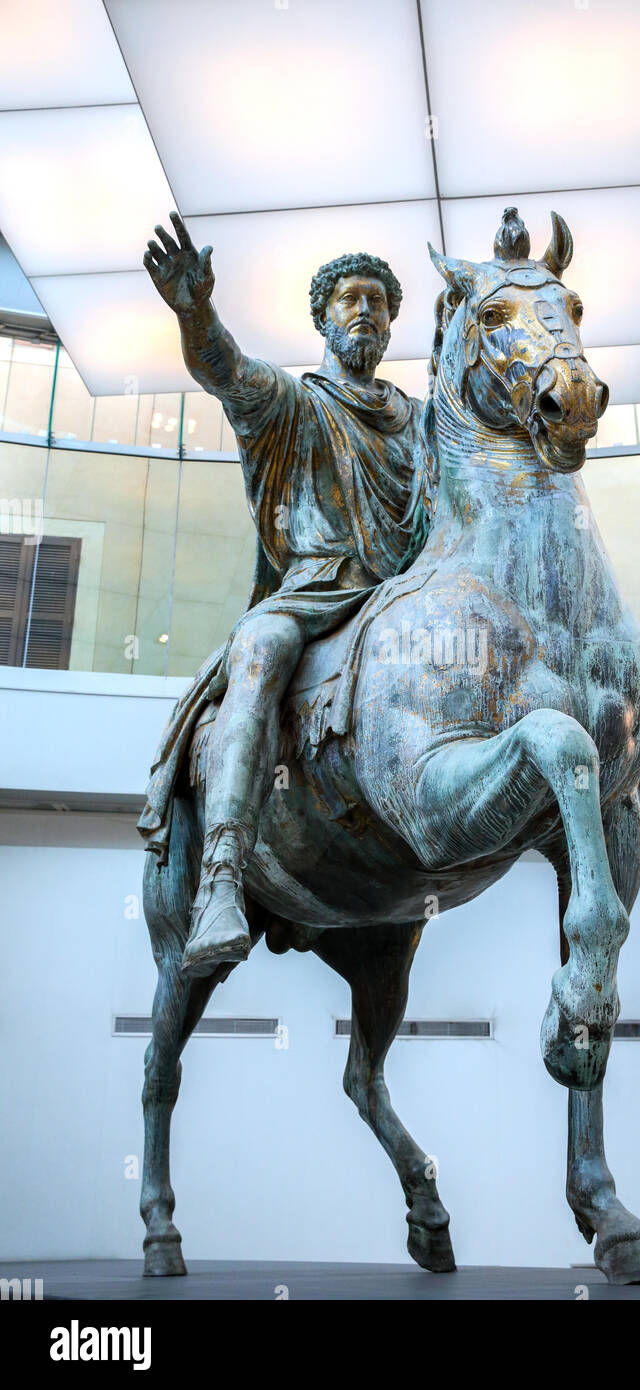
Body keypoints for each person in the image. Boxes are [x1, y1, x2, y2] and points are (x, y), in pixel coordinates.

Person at [138, 213, 429, 976]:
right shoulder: (293, 403)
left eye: (378, 300)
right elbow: (223, 368)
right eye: (350, 299)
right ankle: (225, 877)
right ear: (324, 319)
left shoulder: (424, 424)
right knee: (260, 649)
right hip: (319, 590)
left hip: (409, 601)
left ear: (393, 322)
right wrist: (194, 310)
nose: (365, 309)